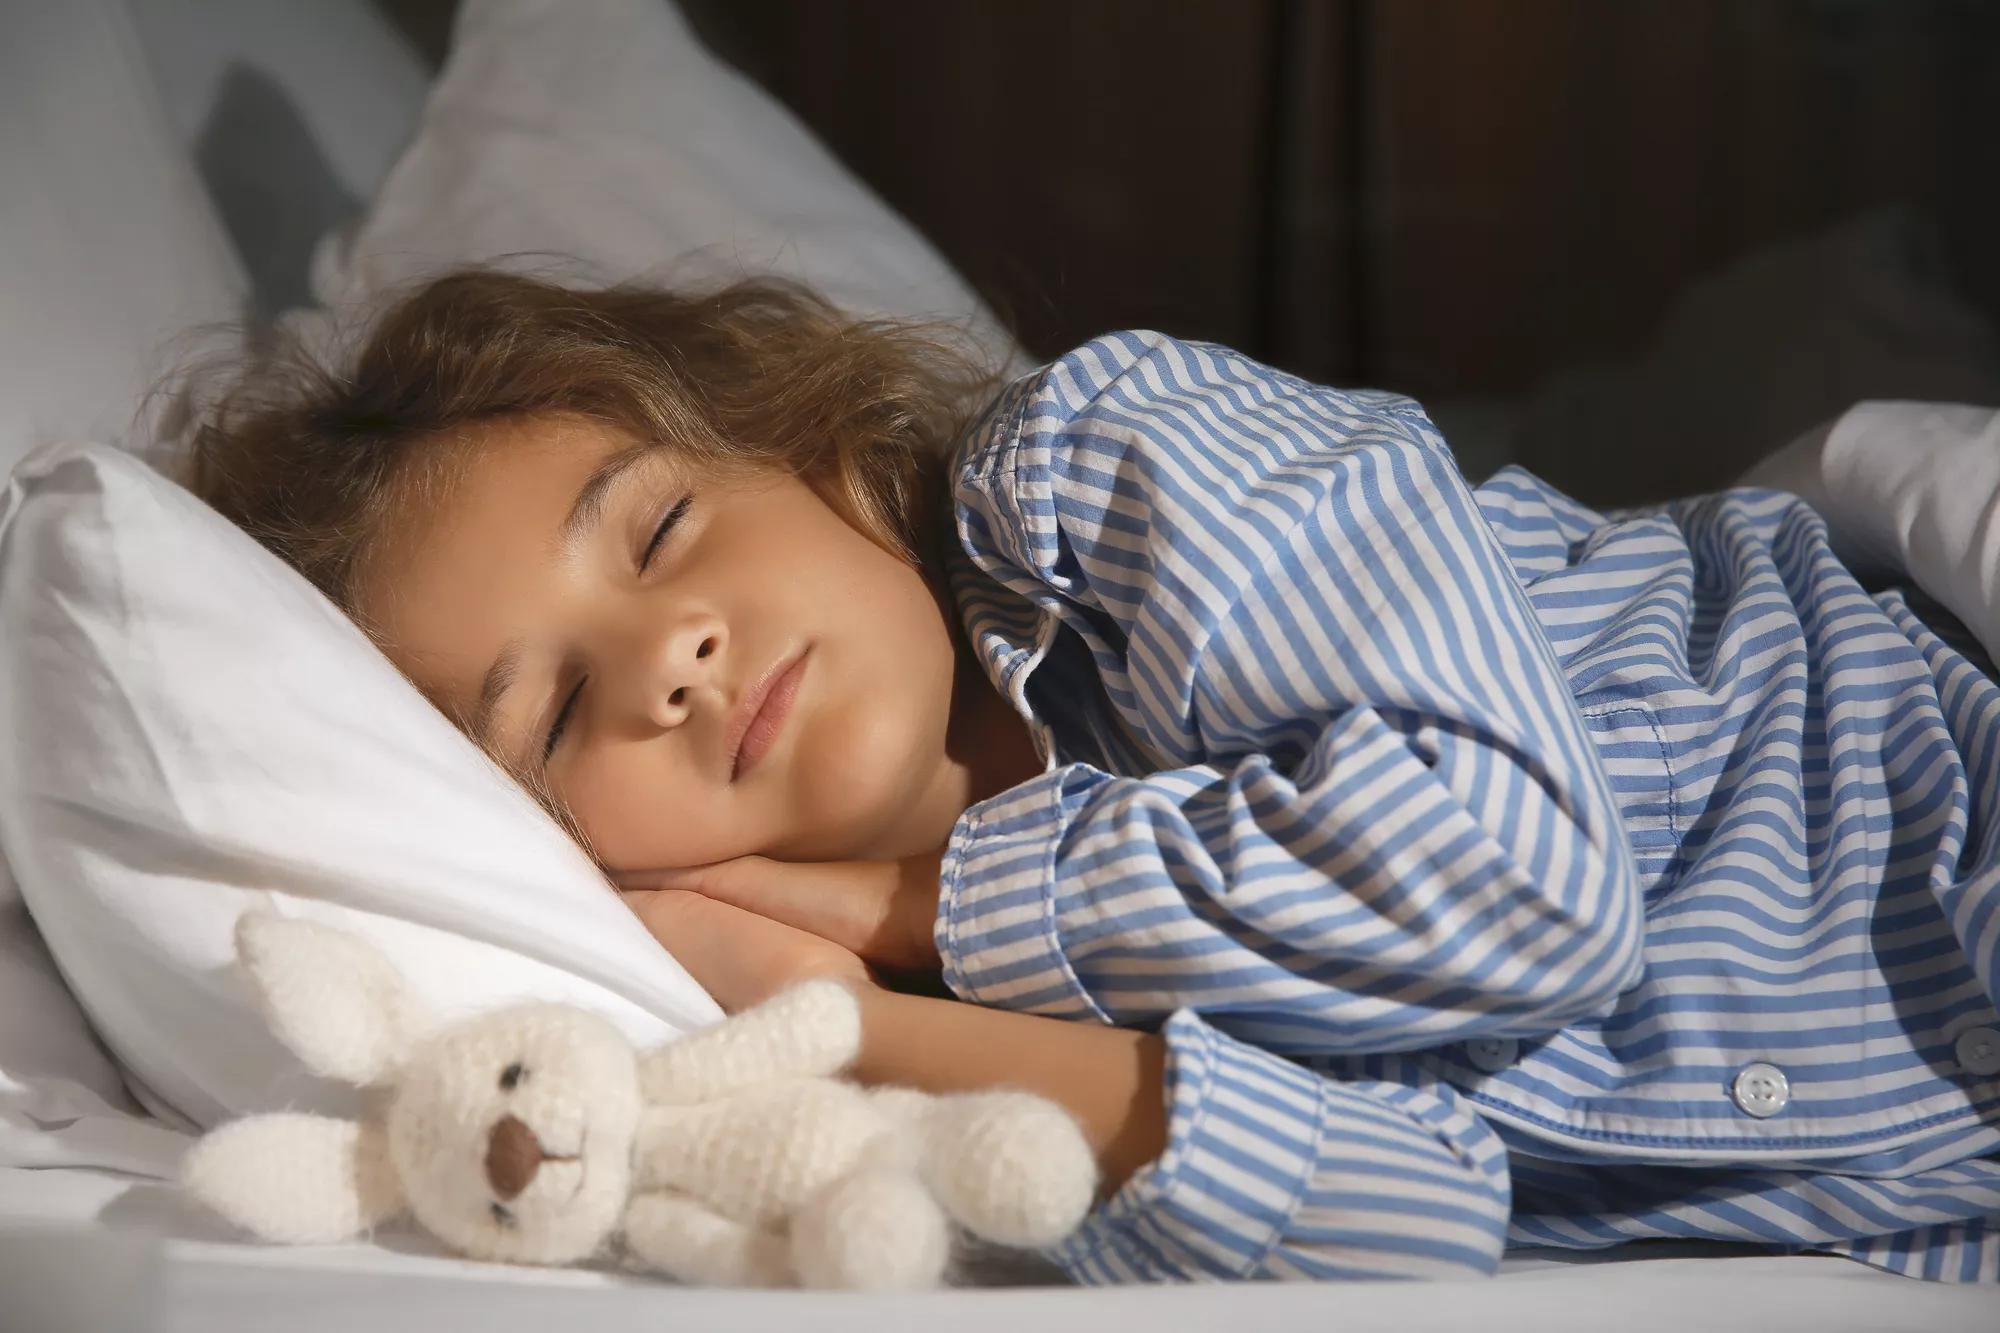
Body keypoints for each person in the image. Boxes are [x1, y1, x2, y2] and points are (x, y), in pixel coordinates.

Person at [181, 269, 2000, 1285]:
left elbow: (1522, 892)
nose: (669, 656)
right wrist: (856, 1018)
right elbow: (1420, 1212)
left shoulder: (1113, 465)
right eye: (556, 719)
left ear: (799, 447)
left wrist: (920, 902)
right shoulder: (905, 1039)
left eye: (655, 525)